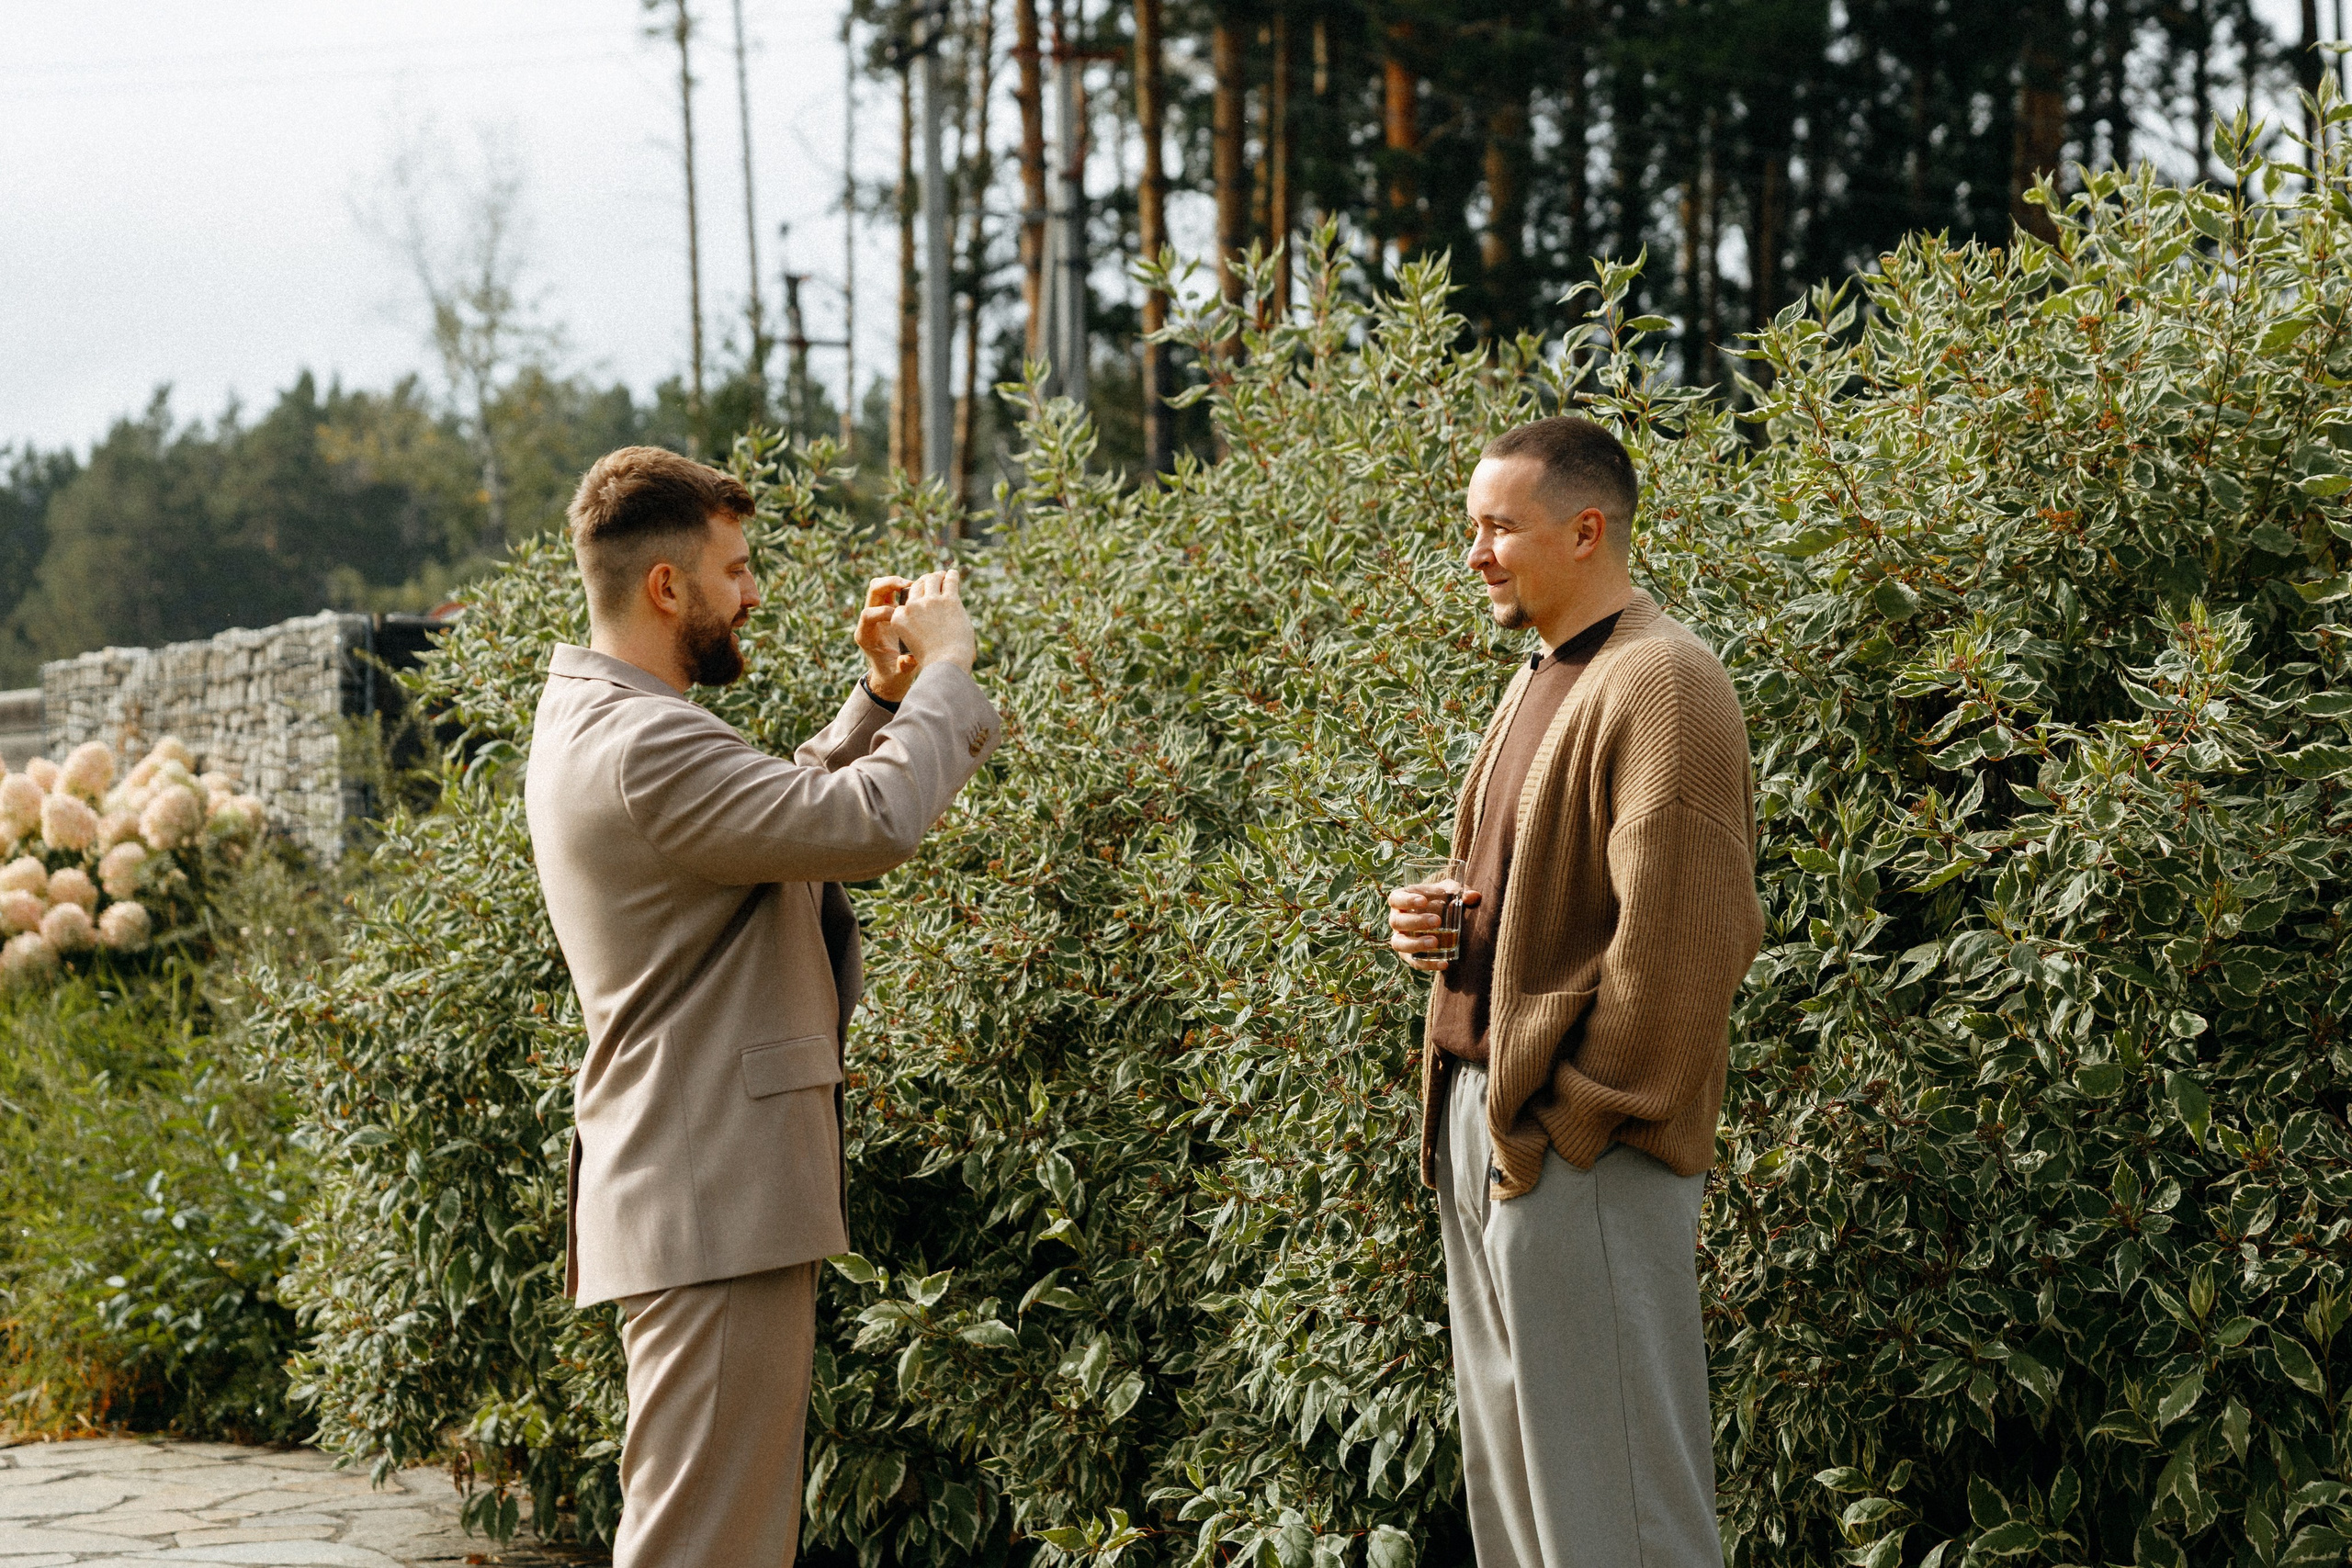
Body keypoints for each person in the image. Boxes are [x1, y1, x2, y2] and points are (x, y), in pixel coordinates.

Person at [524, 446, 1001, 1568]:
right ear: (666, 586)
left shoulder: (607, 721)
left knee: (714, 1536)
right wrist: (947, 670)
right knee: (706, 1547)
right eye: (735, 570)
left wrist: (881, 700)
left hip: (698, 1190)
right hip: (712, 1195)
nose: (752, 594)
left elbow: (773, 815)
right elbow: (865, 825)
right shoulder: (644, 740)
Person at [1385, 415, 1763, 1568]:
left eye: (1498, 528)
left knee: (1622, 1521)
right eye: (1472, 528)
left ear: (1586, 529)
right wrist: (1441, 918)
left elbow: (1688, 941)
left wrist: (1580, 1119)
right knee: (1522, 1514)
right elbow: (1548, 898)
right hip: (1494, 1128)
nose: (1475, 554)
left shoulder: (1663, 682)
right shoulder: (1546, 674)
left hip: (1579, 1148)